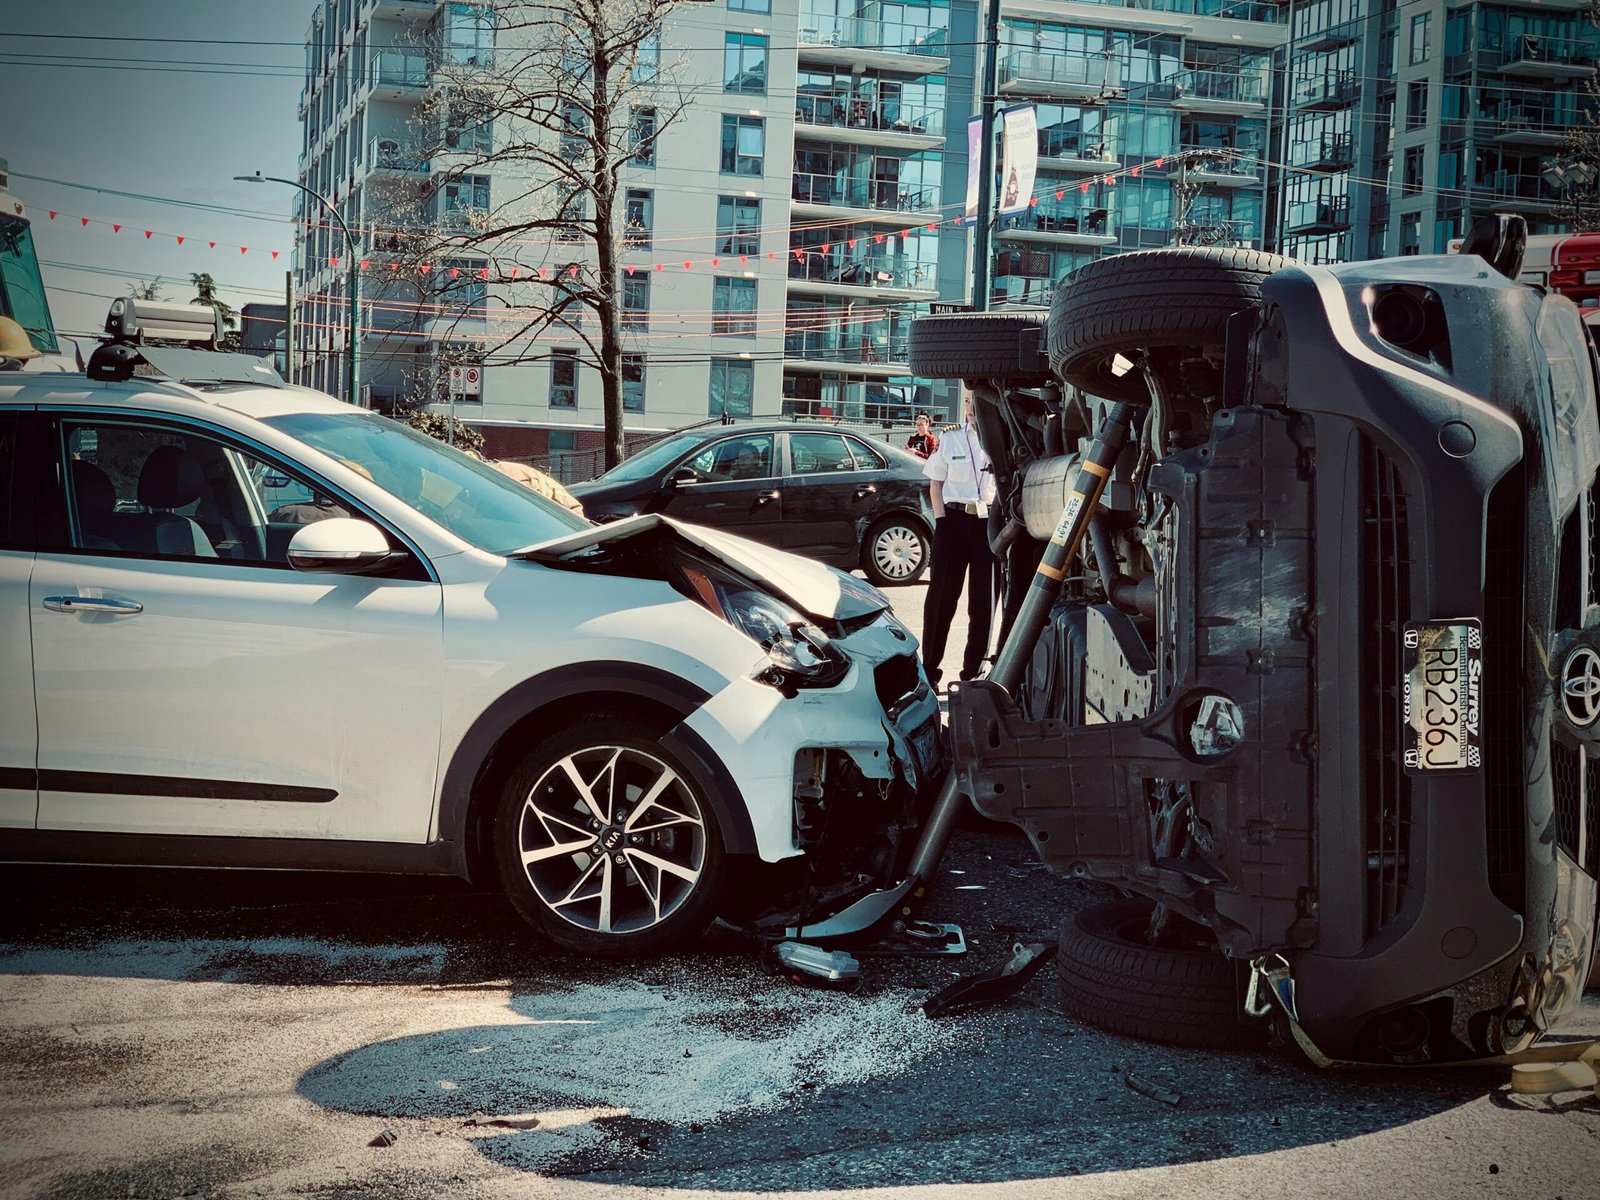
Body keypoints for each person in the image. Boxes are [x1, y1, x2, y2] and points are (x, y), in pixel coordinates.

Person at [921, 390, 997, 686]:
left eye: (975, 401)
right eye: (966, 401)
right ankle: (929, 672)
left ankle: (972, 674)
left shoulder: (999, 439)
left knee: (983, 603)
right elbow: (935, 484)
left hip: (988, 524)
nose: (970, 408)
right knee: (941, 600)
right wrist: (941, 522)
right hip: (953, 521)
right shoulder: (950, 438)